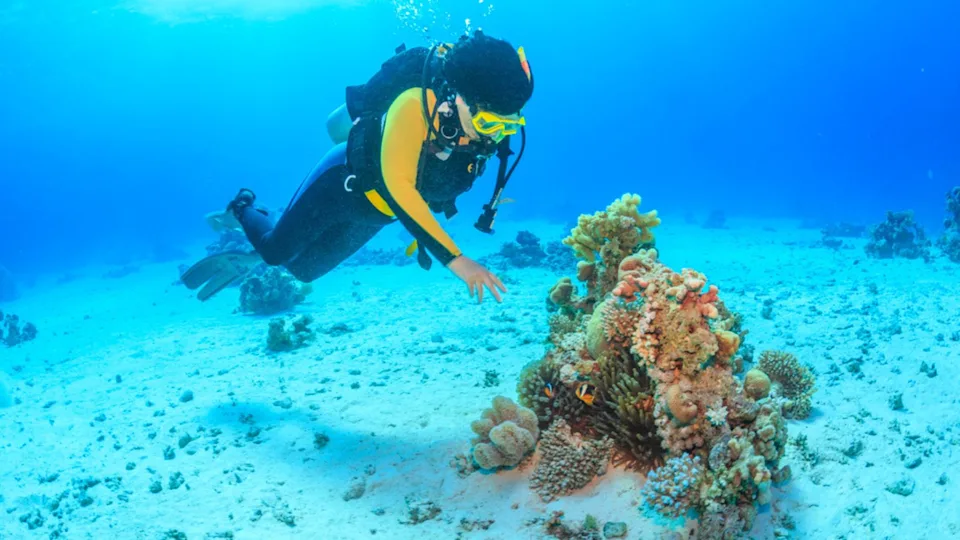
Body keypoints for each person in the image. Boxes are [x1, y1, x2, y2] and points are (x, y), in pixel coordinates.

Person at [181, 30, 534, 304]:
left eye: (508, 126)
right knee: (275, 253)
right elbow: (399, 186)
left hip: (379, 213)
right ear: (458, 98)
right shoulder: (415, 106)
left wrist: (493, 127)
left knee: (303, 270)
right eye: (489, 123)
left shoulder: (486, 120)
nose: (495, 136)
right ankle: (244, 207)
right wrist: (456, 260)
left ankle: (276, 219)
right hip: (342, 185)